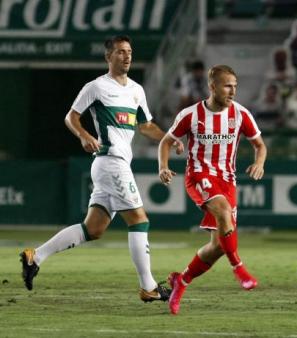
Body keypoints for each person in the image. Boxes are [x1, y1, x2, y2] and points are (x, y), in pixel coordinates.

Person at [19, 35, 181, 302]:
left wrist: (169, 138)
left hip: (113, 165)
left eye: (129, 51)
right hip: (111, 162)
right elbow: (71, 117)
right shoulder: (96, 87)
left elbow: (146, 126)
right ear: (109, 57)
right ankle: (148, 286)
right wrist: (83, 135)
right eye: (120, 52)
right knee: (139, 221)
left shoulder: (136, 90)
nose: (126, 56)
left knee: (92, 229)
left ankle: (35, 257)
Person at [158, 65, 267, 315]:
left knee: (218, 245)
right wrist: (163, 166)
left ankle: (181, 281)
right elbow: (166, 141)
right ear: (213, 87)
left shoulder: (241, 114)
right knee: (224, 211)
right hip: (199, 176)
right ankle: (239, 268)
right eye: (228, 86)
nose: (232, 91)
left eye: (235, 86)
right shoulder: (190, 114)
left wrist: (259, 162)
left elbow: (260, 145)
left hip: (227, 181)